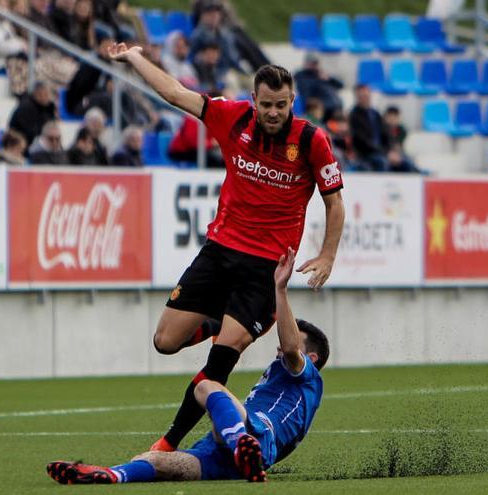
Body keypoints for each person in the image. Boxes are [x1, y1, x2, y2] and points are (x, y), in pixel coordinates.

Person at [107, 42, 345, 454]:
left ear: (293, 101)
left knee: (220, 360)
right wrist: (134, 58)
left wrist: (327, 255)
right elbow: (175, 94)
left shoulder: (311, 140)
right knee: (164, 341)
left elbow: (334, 202)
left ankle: (167, 443)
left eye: (282, 105)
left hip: (266, 270)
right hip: (219, 252)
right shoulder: (232, 117)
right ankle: (222, 320)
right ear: (253, 100)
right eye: (267, 104)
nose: (274, 112)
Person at [46, 247, 328, 484]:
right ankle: (110, 475)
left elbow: (291, 347)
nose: (280, 345)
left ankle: (242, 444)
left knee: (206, 385)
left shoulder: (307, 378)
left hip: (257, 434)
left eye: (292, 337)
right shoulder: (285, 376)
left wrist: (280, 289)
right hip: (231, 454)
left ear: (312, 358)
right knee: (152, 461)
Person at [349, 83, 388, 172]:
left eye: (366, 95)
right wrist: (381, 151)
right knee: (381, 162)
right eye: (361, 96)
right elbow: (360, 139)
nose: (364, 98)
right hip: (365, 153)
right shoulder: (354, 115)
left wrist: (389, 150)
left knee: (404, 161)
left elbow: (385, 133)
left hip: (380, 150)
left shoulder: (375, 113)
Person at [293, 54, 343, 121]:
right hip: (324, 111)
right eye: (312, 63)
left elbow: (341, 85)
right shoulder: (302, 77)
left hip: (336, 108)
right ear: (306, 63)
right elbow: (306, 97)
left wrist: (329, 78)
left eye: (316, 63)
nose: (315, 65)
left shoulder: (321, 74)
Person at [8, 81, 57, 149]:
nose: (48, 98)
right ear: (36, 94)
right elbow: (30, 132)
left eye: (48, 95)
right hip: (21, 144)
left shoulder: (49, 107)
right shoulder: (26, 107)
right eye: (45, 94)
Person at [382, 106, 423, 173]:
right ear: (386, 117)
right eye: (390, 117)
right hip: (385, 154)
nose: (393, 120)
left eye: (395, 117)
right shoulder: (381, 129)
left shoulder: (402, 130)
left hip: (398, 154)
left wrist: (396, 153)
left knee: (409, 161)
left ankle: (418, 173)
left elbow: (398, 146)